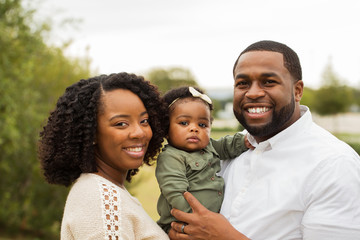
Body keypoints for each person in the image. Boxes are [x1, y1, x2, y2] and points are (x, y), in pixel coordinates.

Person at [169, 40, 360, 240]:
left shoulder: (335, 165)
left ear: (298, 91)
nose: (253, 93)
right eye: (242, 83)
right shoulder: (227, 149)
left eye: (268, 82)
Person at [38, 72, 170, 240]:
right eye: (121, 124)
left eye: (144, 121)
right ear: (92, 133)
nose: (139, 132)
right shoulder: (102, 199)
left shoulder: (106, 191)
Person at [155, 86, 251, 233]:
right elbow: (175, 193)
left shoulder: (209, 146)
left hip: (210, 225)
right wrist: (196, 219)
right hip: (185, 225)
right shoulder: (171, 157)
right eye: (184, 123)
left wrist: (243, 141)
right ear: (166, 129)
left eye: (202, 125)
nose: (194, 129)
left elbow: (225, 146)